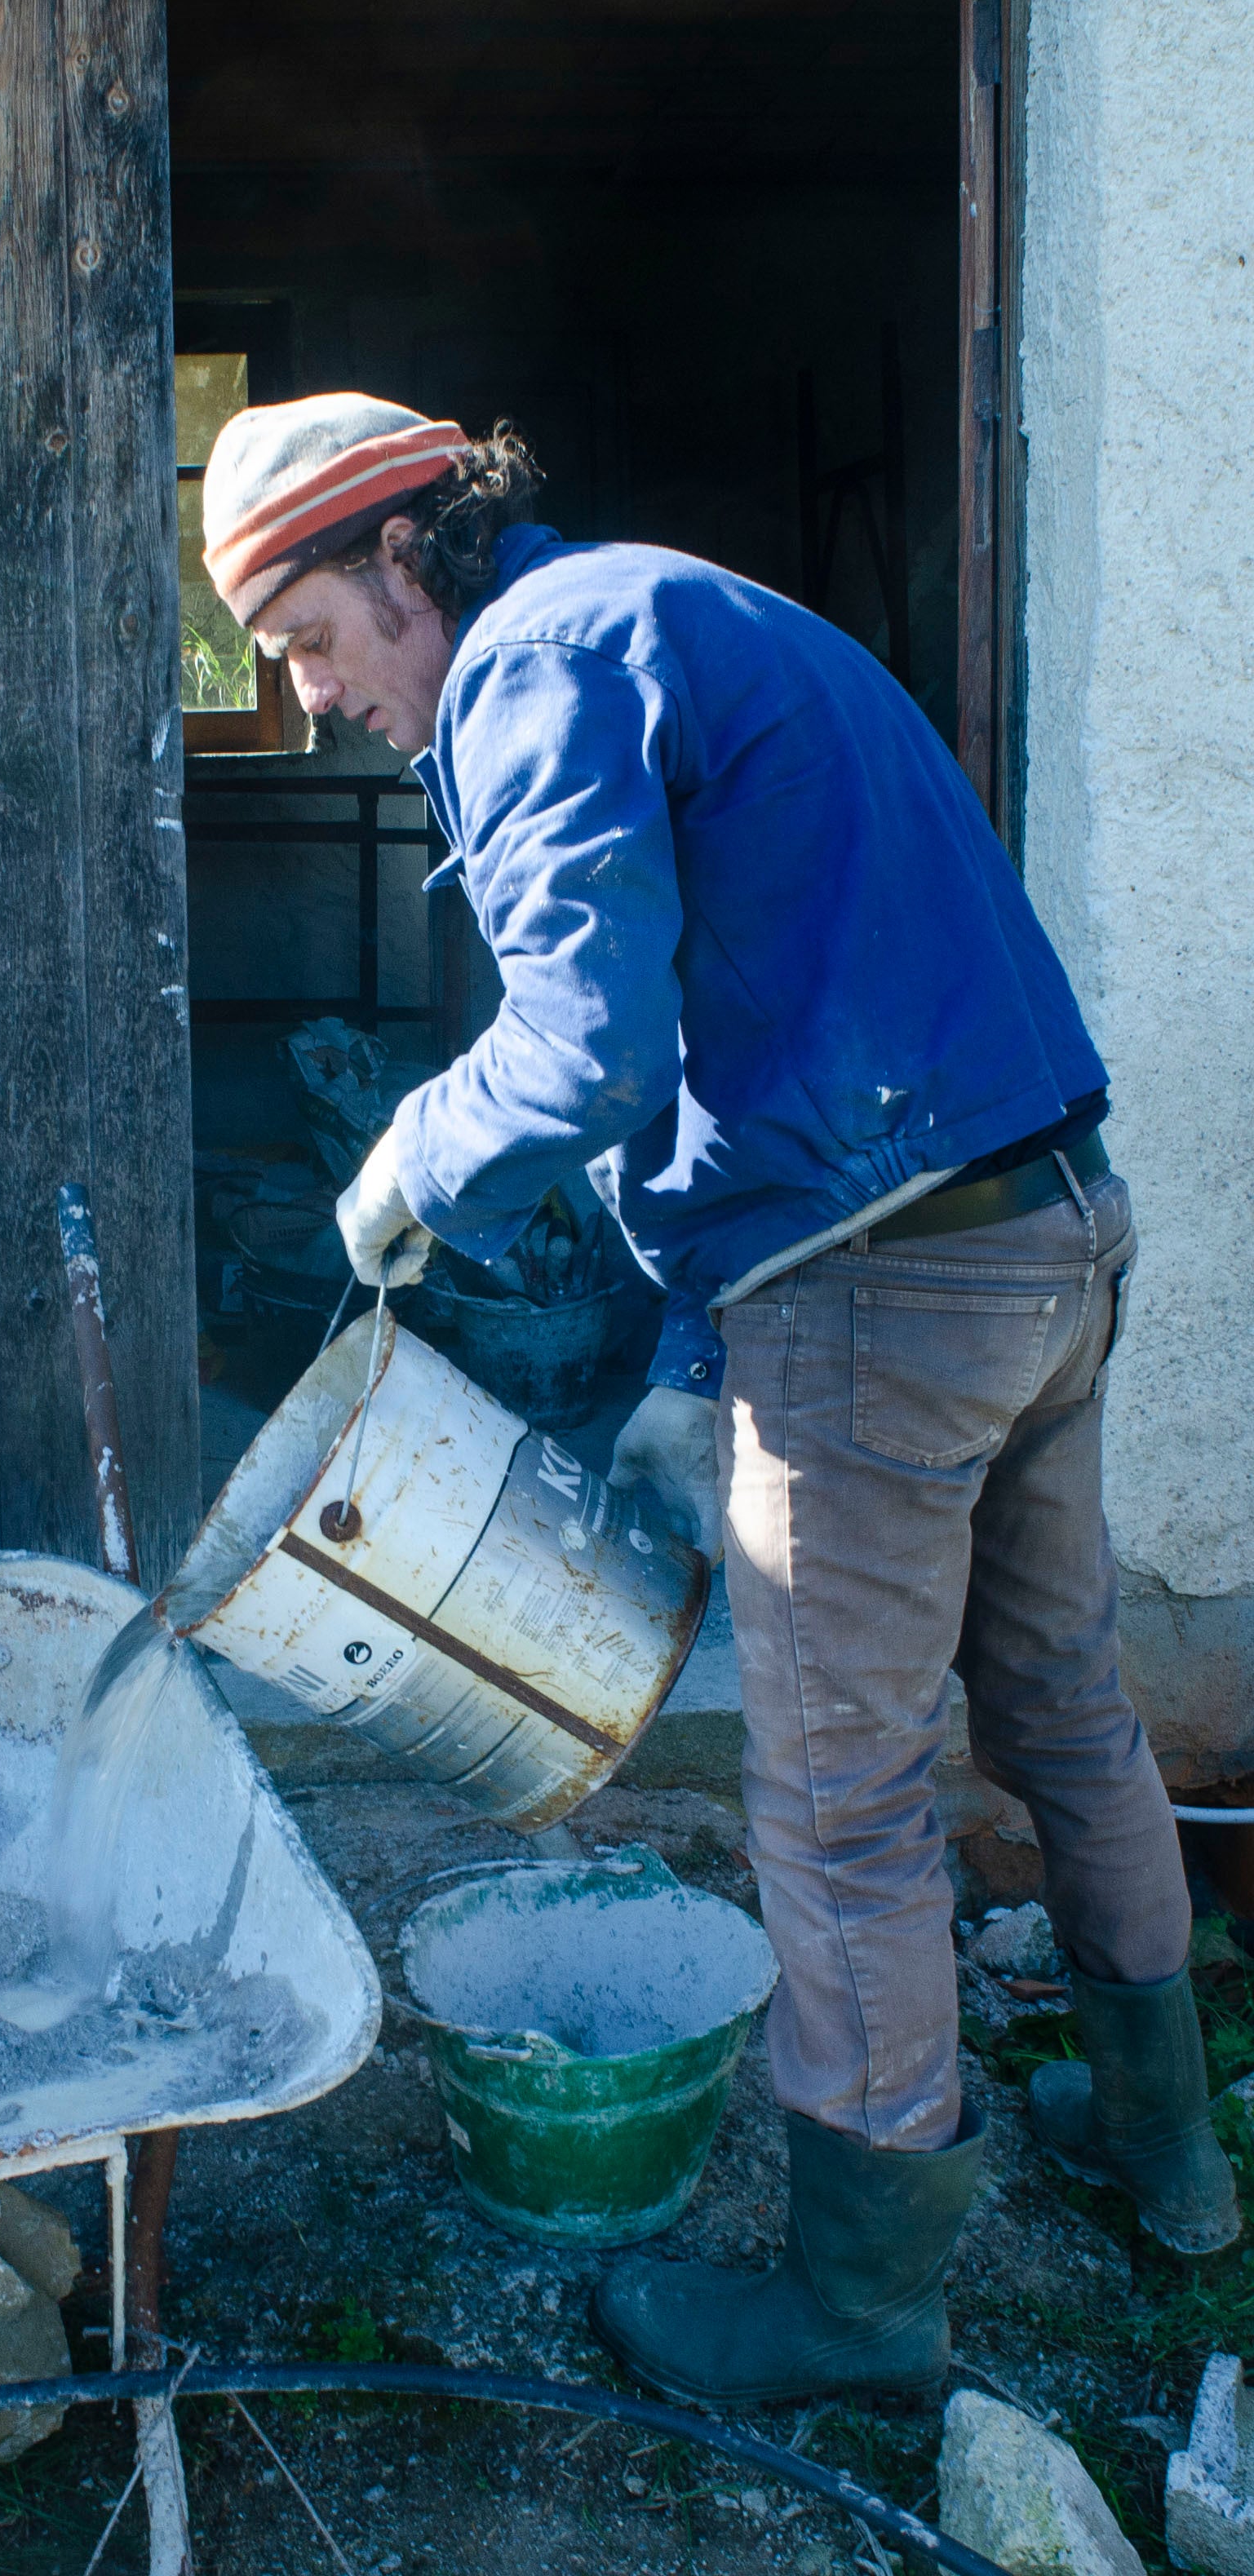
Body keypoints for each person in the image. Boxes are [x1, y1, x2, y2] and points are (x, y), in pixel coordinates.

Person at [197, 392, 1238, 2406]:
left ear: (406, 555)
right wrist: (691, 1356)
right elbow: (741, 1026)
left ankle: (855, 2314)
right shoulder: (670, 611)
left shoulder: (524, 670)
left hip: (883, 1300)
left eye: (312, 635)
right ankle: (1173, 2154)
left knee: (836, 1810)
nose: (313, 694)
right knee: (1059, 1698)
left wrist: (410, 1155)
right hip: (1047, 1229)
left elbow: (585, 1049)